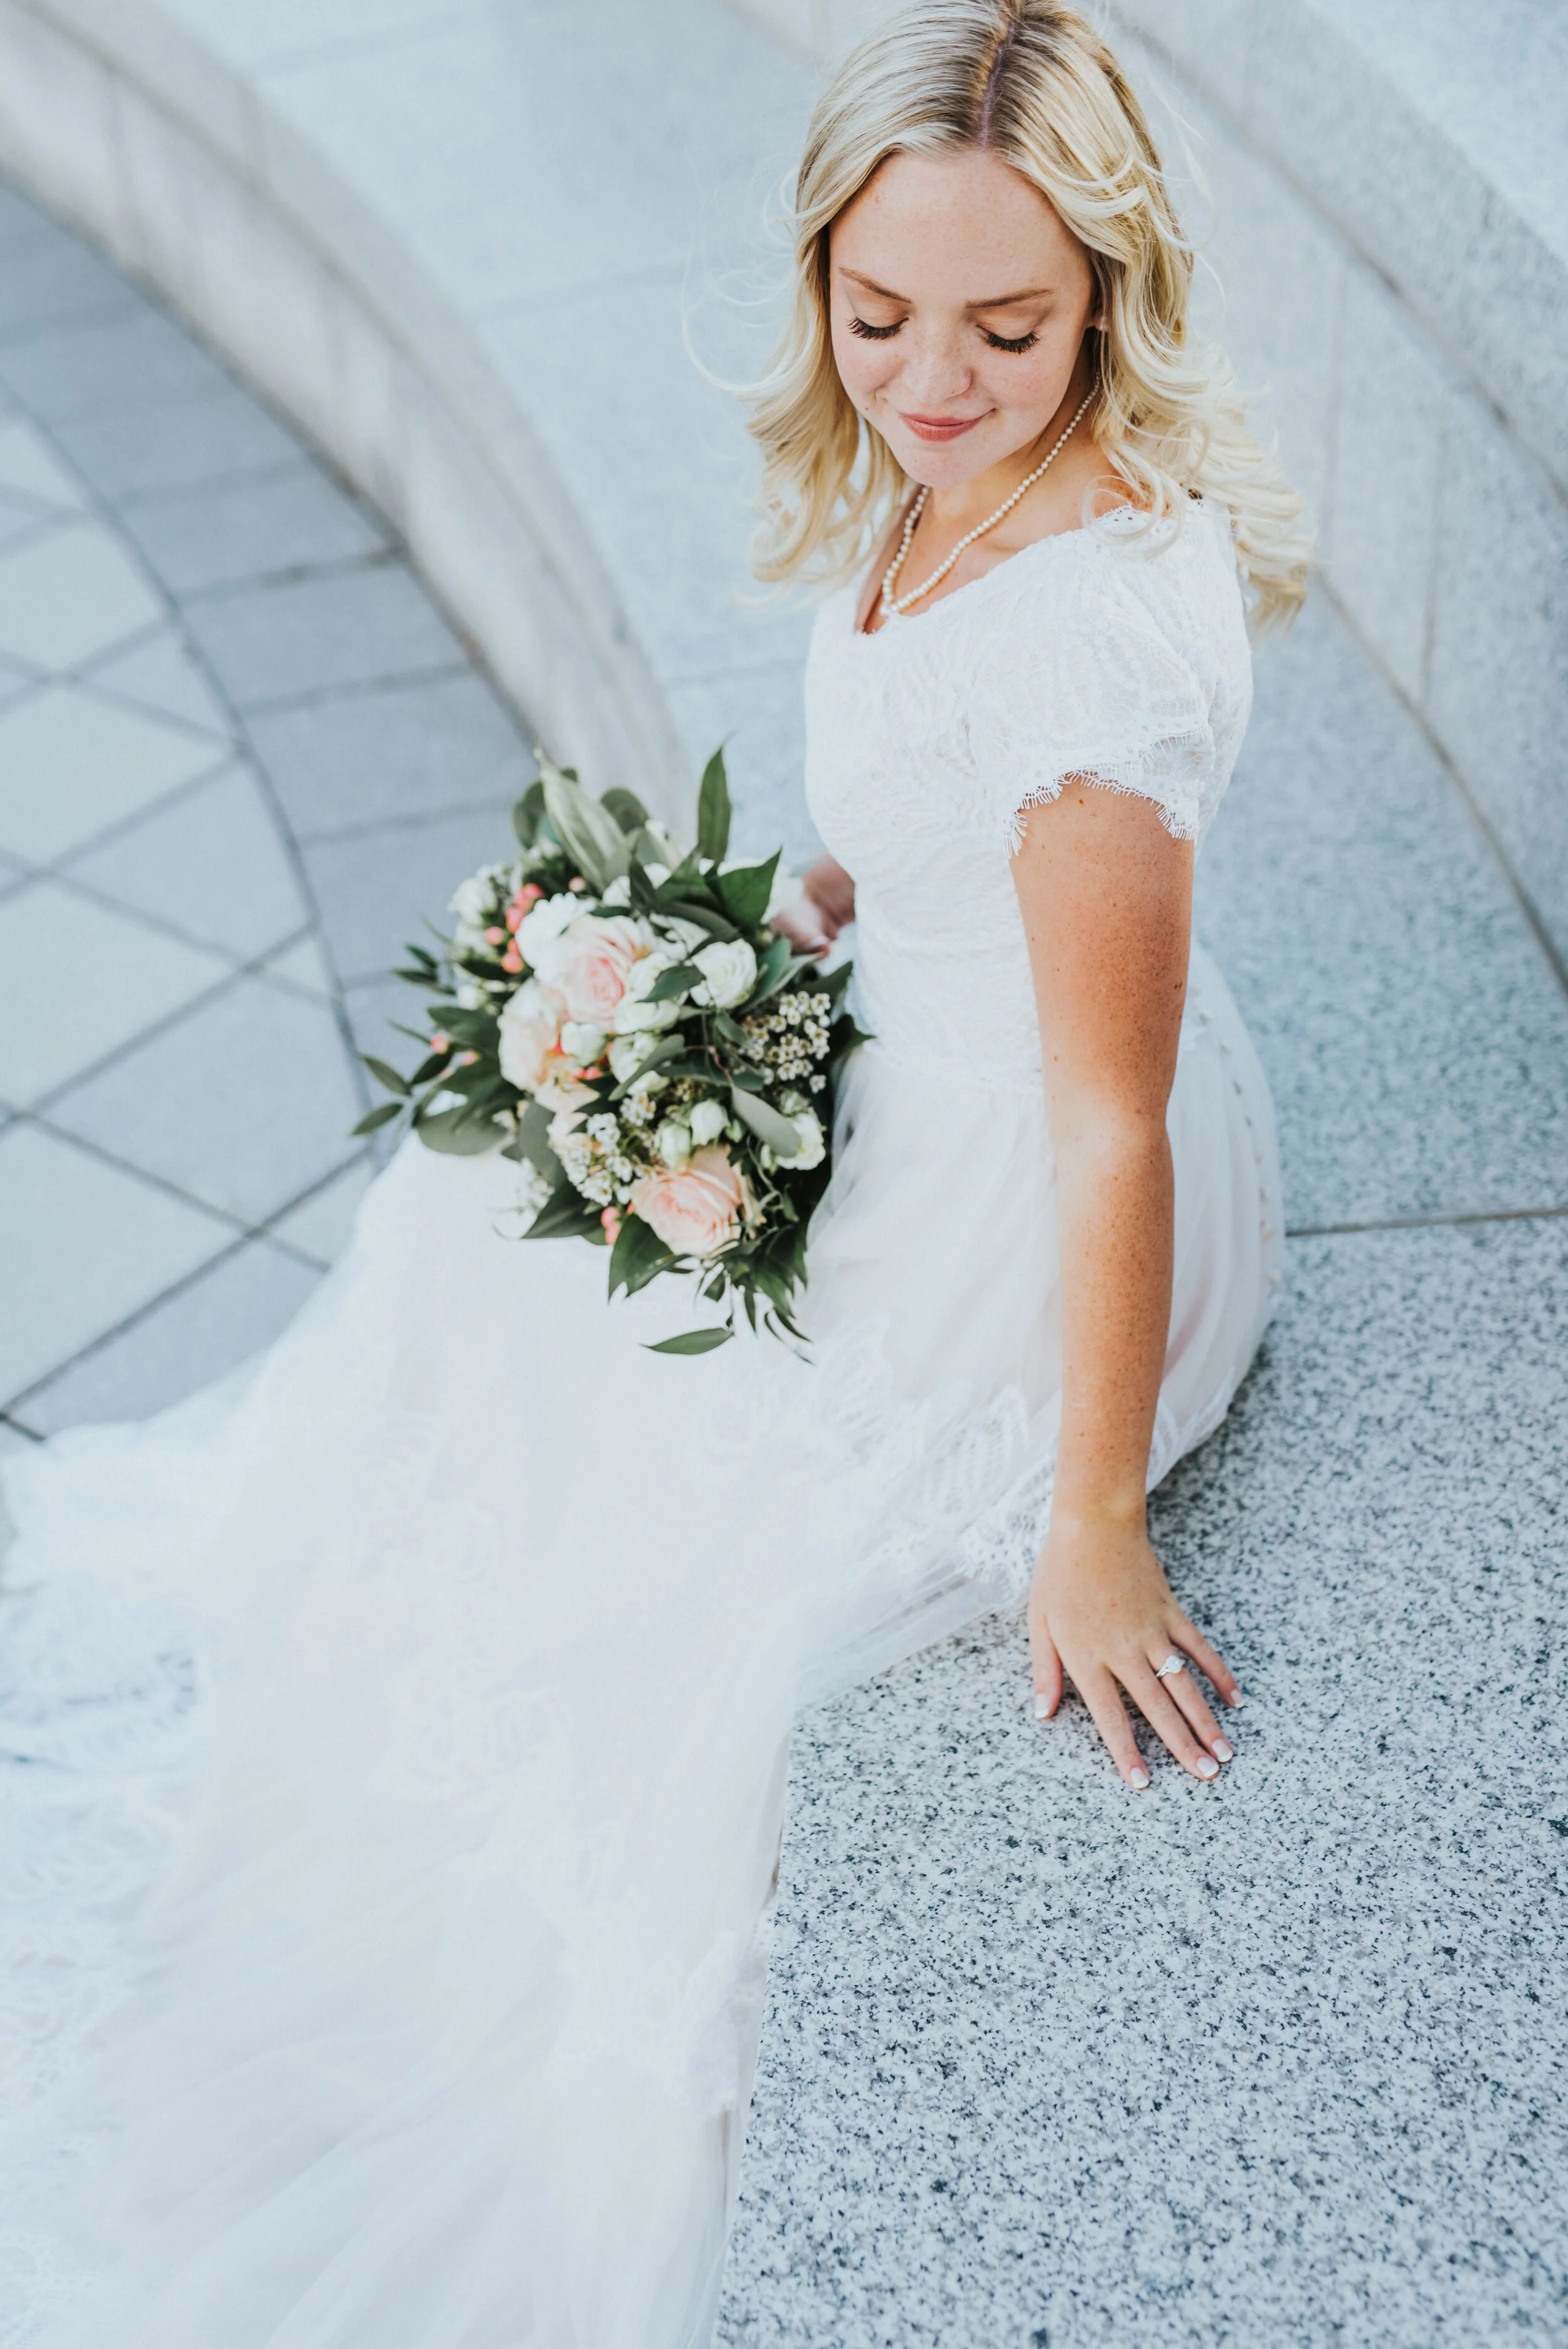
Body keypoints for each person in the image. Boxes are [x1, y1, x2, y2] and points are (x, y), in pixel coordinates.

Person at [0, 4, 1308, 2344]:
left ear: (1105, 289)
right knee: (484, 1266)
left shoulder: (1091, 656)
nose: (928, 377)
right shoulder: (954, 471)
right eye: (877, 310)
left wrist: (1088, 1524)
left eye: (1006, 326)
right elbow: (921, 785)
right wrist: (817, 902)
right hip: (932, 1026)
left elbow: (1106, 1119)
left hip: (1027, 1192)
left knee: (631, 1557)